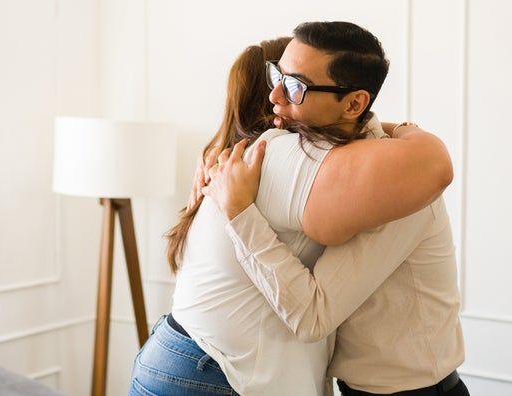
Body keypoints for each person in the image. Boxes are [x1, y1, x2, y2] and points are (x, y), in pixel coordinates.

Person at [130, 25, 452, 396]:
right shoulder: (278, 155)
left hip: (183, 357)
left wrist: (398, 130)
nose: (275, 95)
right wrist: (407, 133)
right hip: (212, 372)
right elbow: (432, 164)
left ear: (353, 104)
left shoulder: (250, 160)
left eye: (295, 85)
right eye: (275, 76)